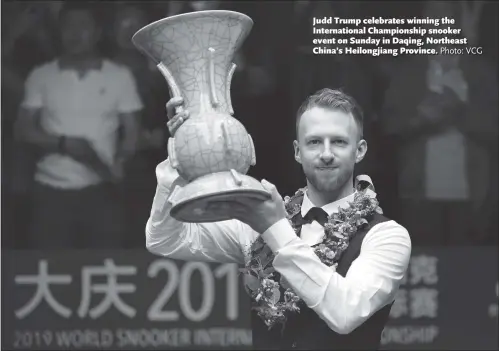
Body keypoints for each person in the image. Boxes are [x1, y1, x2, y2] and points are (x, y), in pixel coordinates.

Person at [146, 88, 411, 349]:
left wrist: (274, 228)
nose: (326, 153)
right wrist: (180, 156)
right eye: (314, 142)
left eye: (339, 142)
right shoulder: (261, 221)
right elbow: (165, 239)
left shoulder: (387, 235)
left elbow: (345, 314)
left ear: (360, 150)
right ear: (297, 151)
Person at [14, 2, 143, 249]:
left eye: (83, 25)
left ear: (96, 33)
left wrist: (120, 162)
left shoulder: (119, 76)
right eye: (68, 26)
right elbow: (23, 130)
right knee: (52, 268)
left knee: (104, 267)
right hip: (49, 191)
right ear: (59, 32)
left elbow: (132, 134)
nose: (74, 33)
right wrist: (64, 144)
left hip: (101, 190)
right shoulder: (42, 75)